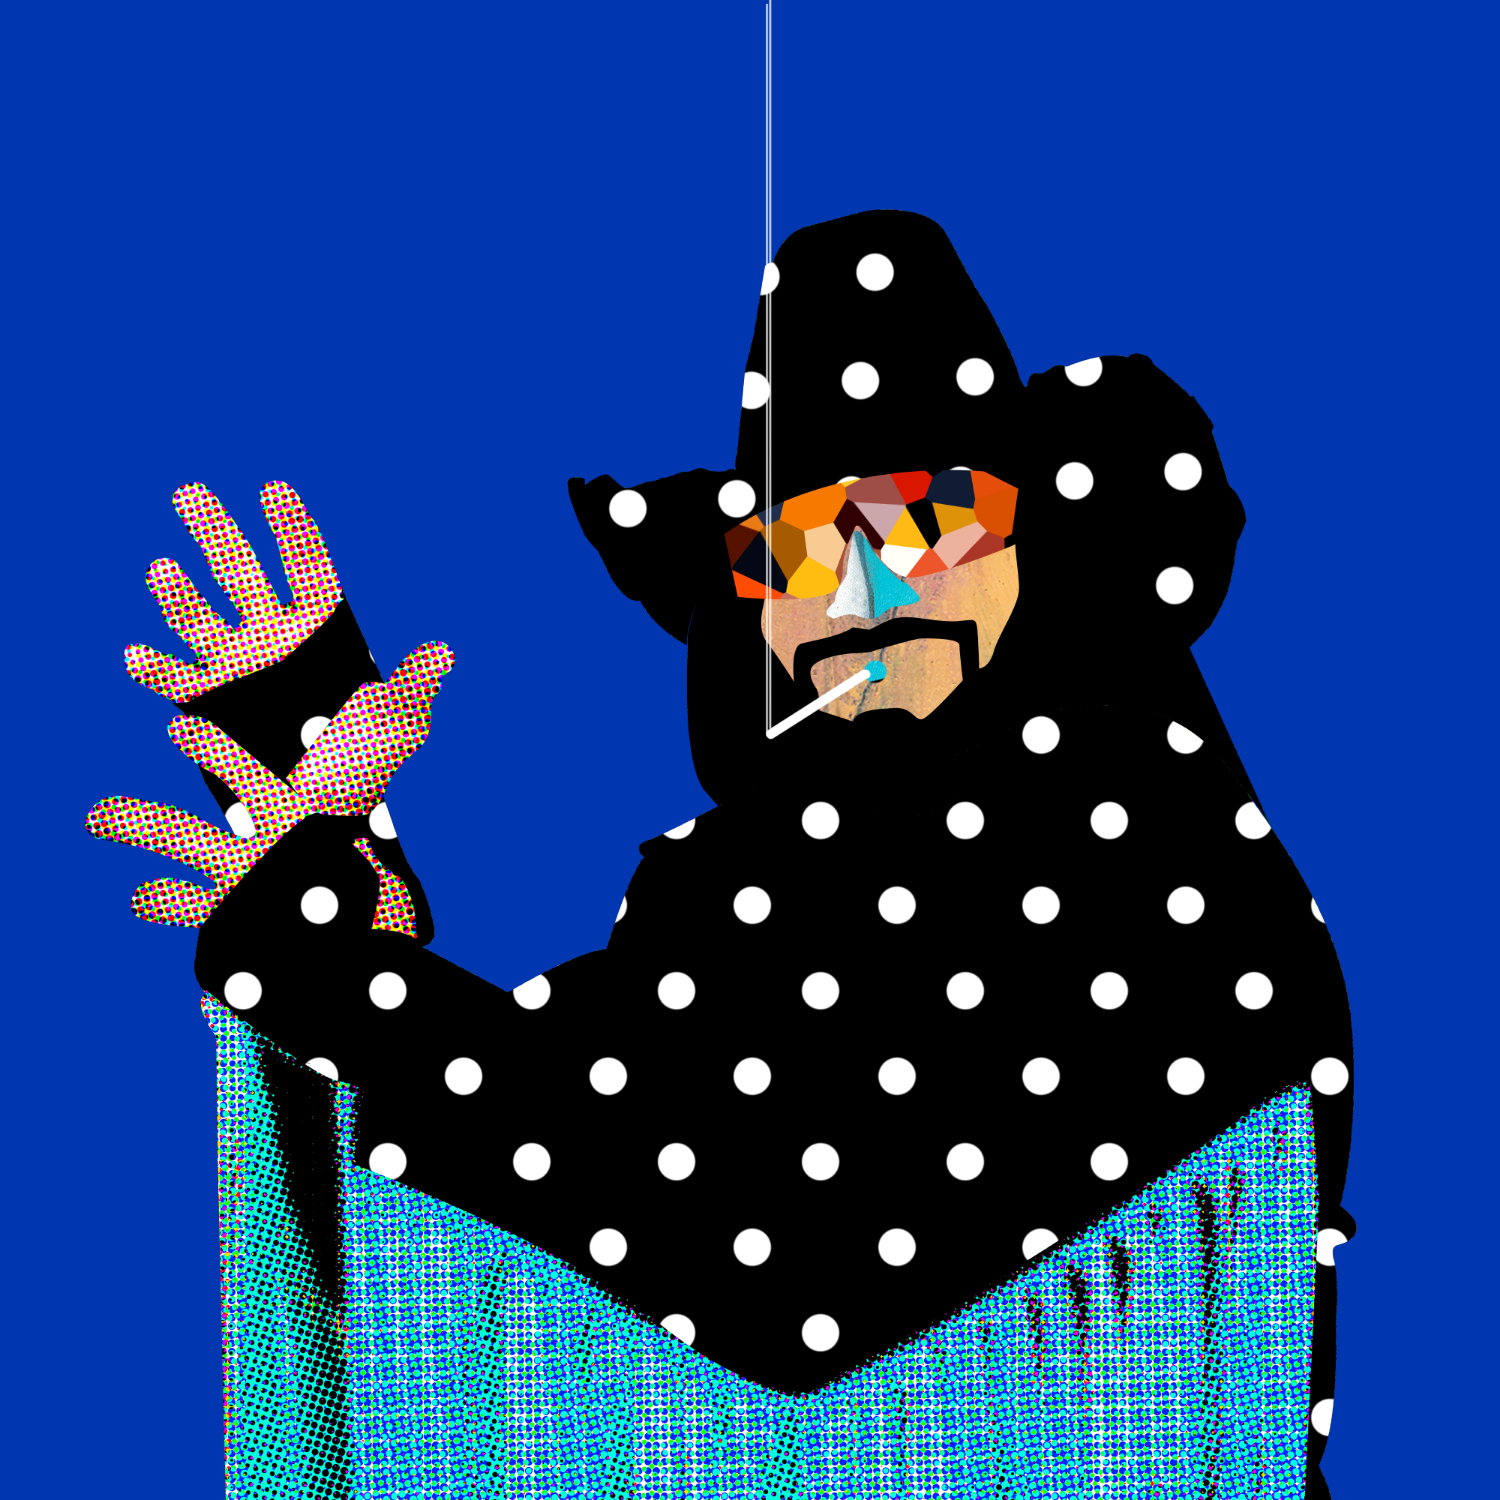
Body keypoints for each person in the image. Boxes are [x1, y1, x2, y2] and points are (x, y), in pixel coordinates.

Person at [90, 210, 1355, 1497]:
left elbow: (797, 1248)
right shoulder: (762, 885)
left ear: (1036, 539)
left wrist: (329, 981)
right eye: (797, 546)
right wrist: (335, 858)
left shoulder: (1142, 825)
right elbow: (588, 1201)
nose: (857, 594)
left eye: (921, 524)